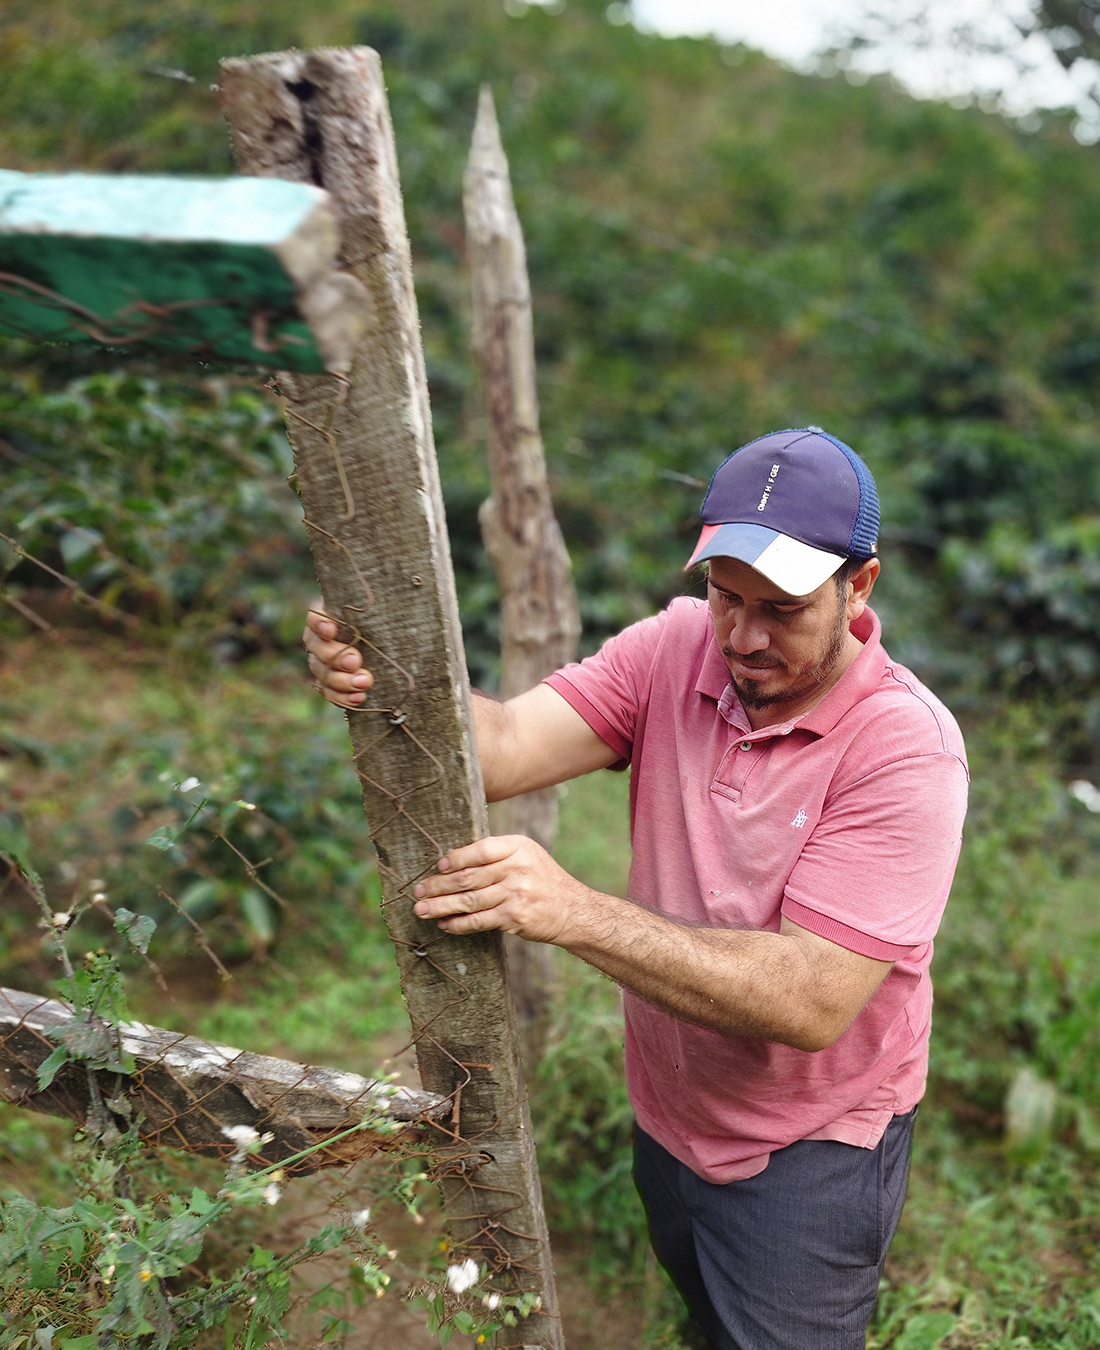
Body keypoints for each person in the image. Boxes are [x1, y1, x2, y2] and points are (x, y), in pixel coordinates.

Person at [303, 427, 969, 1350]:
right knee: (704, 1318)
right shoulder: (675, 648)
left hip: (809, 1149)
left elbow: (812, 998)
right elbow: (496, 751)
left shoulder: (906, 752)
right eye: (724, 595)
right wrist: (388, 678)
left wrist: (573, 911)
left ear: (859, 586)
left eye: (780, 608)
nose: (742, 635)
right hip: (669, 1115)